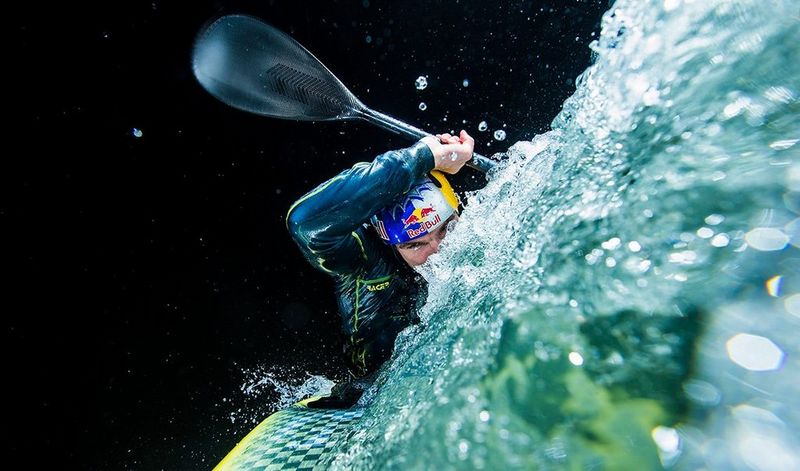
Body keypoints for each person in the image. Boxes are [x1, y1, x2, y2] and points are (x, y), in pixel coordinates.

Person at [286, 130, 475, 408]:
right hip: (371, 395)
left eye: (447, 229)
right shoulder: (364, 257)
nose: (437, 250)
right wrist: (425, 156)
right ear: (390, 244)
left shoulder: (483, 230)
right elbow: (305, 223)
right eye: (416, 244)